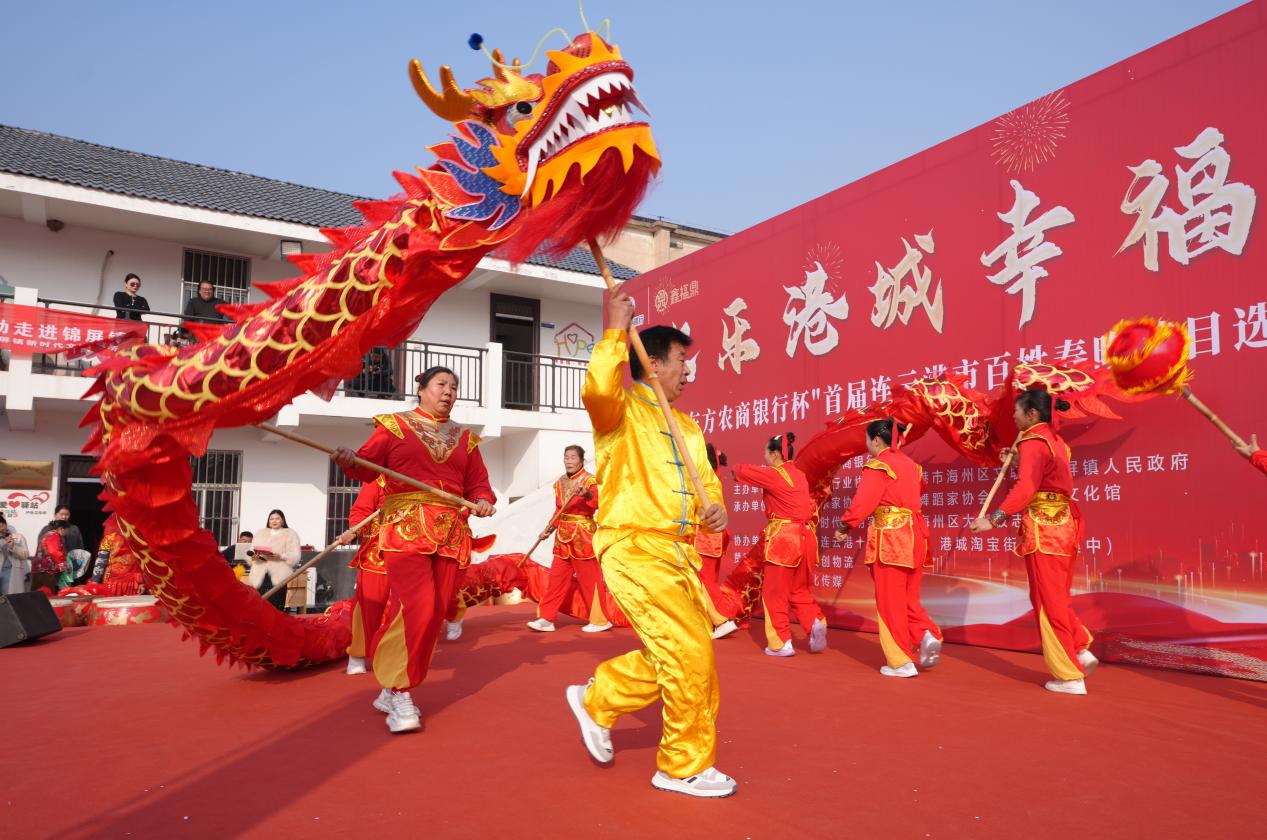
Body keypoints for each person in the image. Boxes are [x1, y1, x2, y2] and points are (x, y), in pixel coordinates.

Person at [564, 286, 736, 799]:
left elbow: (709, 491)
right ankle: (681, 765)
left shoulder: (688, 427)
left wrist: (715, 511)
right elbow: (597, 390)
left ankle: (600, 697)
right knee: (688, 651)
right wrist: (615, 331)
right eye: (681, 360)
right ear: (653, 363)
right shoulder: (619, 412)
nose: (689, 371)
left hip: (678, 554)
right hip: (634, 546)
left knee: (686, 652)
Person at [332, 366, 497, 734]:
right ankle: (400, 690)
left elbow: (478, 484)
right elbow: (365, 466)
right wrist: (349, 460)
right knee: (418, 606)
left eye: (454, 386)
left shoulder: (464, 439)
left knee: (434, 613)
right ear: (421, 389)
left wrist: (483, 500)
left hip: (450, 533)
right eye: (441, 385)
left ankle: (390, 688)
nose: (449, 392)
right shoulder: (395, 426)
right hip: (406, 529)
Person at [970, 390, 1098, 695]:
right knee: (1056, 596)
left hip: (1045, 531)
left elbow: (1027, 488)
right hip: (1065, 526)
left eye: (1017, 412)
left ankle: (1069, 675)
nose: (1014, 417)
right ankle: (1079, 647)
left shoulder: (1031, 441)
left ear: (1032, 414)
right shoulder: (1055, 442)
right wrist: (1017, 460)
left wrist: (994, 519)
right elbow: (1046, 476)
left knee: (1046, 601)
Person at [835, 419, 943, 678]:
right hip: (916, 536)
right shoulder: (912, 466)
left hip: (892, 539)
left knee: (889, 601)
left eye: (867, 440)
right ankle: (925, 633)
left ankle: (900, 661)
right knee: (908, 598)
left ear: (876, 440)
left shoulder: (879, 465)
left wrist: (844, 526)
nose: (866, 445)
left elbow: (863, 502)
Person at [731, 432, 828, 657]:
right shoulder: (799, 475)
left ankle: (780, 643)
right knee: (799, 589)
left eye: (766, 453)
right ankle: (815, 621)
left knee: (774, 592)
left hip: (785, 539)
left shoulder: (775, 474)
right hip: (806, 537)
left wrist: (735, 471)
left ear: (775, 455)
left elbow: (739, 471)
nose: (764, 457)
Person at [527, 445, 613, 634]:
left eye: (573, 457)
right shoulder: (560, 482)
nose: (569, 461)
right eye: (566, 457)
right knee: (556, 579)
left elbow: (596, 503)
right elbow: (560, 510)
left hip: (583, 536)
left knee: (590, 580)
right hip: (563, 536)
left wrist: (586, 494)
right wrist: (548, 529)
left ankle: (600, 620)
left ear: (581, 460)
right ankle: (547, 618)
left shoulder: (589, 480)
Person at [338, 477, 387, 675]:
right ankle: (357, 654)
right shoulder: (379, 479)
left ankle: (394, 655)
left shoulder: (421, 476)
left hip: (413, 552)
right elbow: (361, 510)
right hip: (378, 553)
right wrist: (355, 529)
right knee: (369, 605)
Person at [694, 443, 739, 639]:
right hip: (714, 537)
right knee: (708, 580)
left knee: (702, 580)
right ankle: (711, 621)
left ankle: (721, 619)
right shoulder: (712, 476)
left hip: (705, 537)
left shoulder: (703, 478)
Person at [248, 510, 301, 611]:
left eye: (277, 519)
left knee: (276, 606)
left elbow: (295, 555)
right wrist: (254, 557)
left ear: (283, 521)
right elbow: (252, 550)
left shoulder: (290, 534)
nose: (274, 521)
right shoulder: (260, 533)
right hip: (260, 573)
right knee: (260, 606)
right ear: (268, 521)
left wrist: (281, 556)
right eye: (271, 519)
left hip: (279, 573)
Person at [32, 519, 67, 595]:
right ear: (61, 528)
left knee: (38, 594)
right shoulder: (54, 535)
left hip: (42, 569)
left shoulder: (48, 534)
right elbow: (54, 552)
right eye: (67, 530)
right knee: (47, 594)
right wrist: (63, 565)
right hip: (48, 570)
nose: (67, 532)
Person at [0, 512, 32, 595]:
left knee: (8, 597)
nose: (0, 529)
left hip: (10, 571)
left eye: (1, 526)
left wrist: (13, 547)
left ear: (5, 524)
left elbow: (25, 555)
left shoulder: (18, 537)